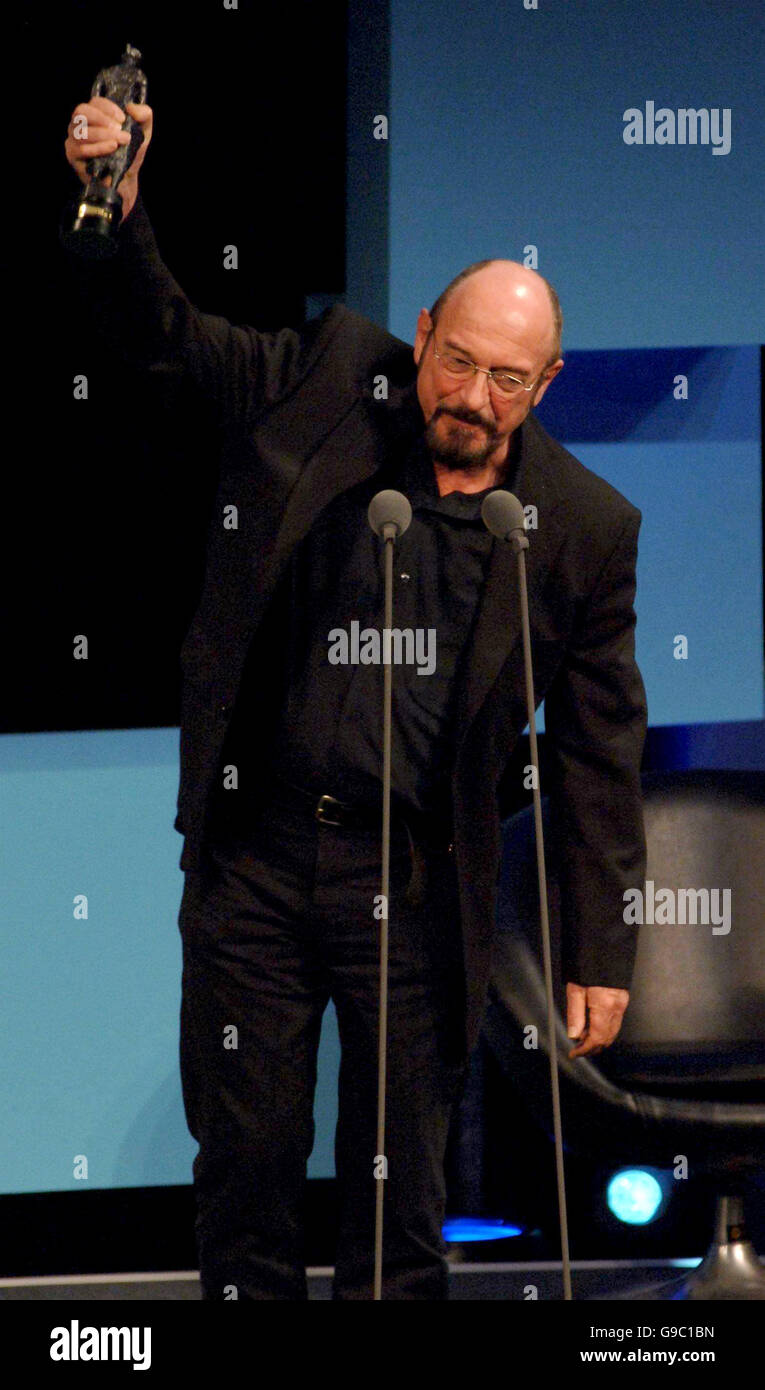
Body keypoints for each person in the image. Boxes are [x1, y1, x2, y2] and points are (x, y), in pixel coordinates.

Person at [63, 97, 648, 1300]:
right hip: (262, 862)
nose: (472, 396)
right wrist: (117, 204)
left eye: (507, 379)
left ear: (546, 383)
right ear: (421, 333)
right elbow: (167, 339)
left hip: (419, 886)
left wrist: (599, 948)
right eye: (456, 360)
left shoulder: (583, 529)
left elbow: (600, 748)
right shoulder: (328, 378)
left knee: (400, 1206)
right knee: (247, 1175)